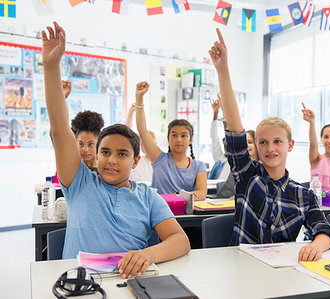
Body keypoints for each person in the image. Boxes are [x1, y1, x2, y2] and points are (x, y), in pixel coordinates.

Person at [42, 22, 190, 278]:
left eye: (122, 154)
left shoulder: (148, 197)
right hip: (80, 285)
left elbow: (180, 240)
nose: (111, 160)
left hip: (130, 282)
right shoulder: (79, 182)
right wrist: (51, 67)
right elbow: (59, 131)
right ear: (96, 154)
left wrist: (148, 254)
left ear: (135, 161)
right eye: (106, 152)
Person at [208, 28, 330, 261]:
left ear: (290, 145)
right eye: (263, 142)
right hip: (240, 267)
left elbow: (324, 230)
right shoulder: (247, 176)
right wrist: (223, 70)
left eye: (277, 141)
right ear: (256, 146)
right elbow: (235, 130)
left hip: (279, 268)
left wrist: (317, 246)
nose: (270, 148)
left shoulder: (303, 194)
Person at [134, 81, 207, 201]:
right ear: (168, 138)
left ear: (190, 139)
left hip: (186, 214)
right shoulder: (159, 158)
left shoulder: (199, 166)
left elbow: (202, 193)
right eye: (174, 135)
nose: (178, 139)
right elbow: (142, 130)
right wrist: (139, 98)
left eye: (183, 136)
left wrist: (176, 198)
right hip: (159, 213)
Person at [125, 103, 154, 184]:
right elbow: (128, 135)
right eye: (142, 144)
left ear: (155, 143)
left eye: (148, 143)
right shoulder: (138, 161)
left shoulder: (161, 163)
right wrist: (131, 113)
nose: (145, 146)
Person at [209, 98, 230, 180]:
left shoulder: (234, 162)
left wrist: (225, 112)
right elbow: (214, 137)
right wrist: (215, 113)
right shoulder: (219, 159)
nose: (226, 147)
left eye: (228, 144)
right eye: (225, 145)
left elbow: (230, 131)